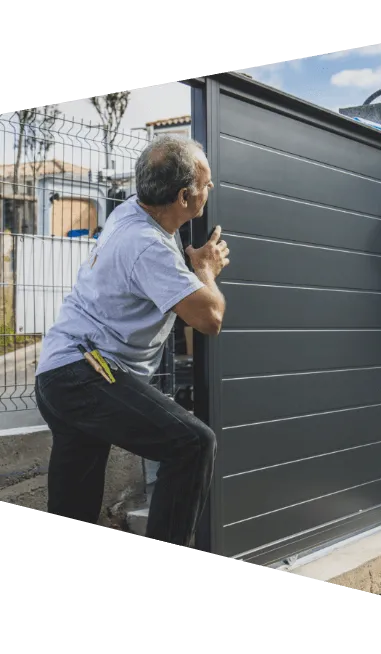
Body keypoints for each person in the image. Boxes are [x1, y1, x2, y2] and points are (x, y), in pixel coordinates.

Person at [34, 135, 228, 548]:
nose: (211, 190)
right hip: (83, 372)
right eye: (207, 185)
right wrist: (205, 272)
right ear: (184, 196)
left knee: (74, 506)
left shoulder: (134, 213)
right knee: (193, 444)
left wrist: (185, 270)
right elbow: (209, 318)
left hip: (59, 374)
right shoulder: (146, 245)